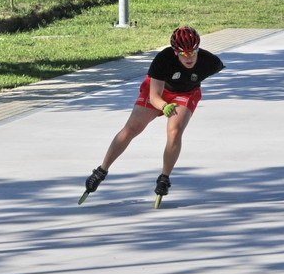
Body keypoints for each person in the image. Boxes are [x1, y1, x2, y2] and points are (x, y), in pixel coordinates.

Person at [81, 26, 225, 205]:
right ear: (175, 52)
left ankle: (164, 178)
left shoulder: (210, 62)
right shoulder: (163, 59)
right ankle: (101, 171)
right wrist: (164, 107)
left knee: (174, 131)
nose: (189, 57)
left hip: (186, 93)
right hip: (159, 91)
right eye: (183, 53)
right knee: (132, 128)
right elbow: (154, 96)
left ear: (198, 48)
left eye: (193, 52)